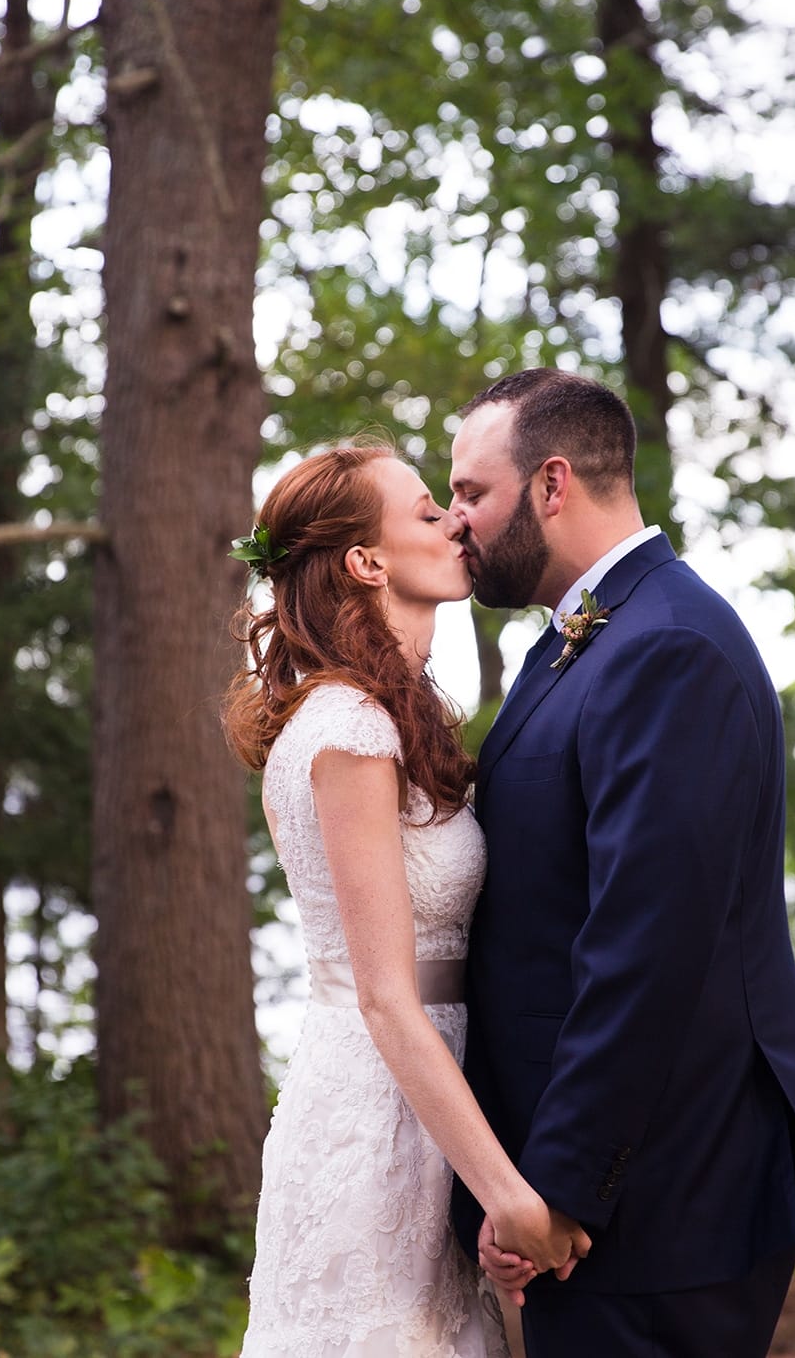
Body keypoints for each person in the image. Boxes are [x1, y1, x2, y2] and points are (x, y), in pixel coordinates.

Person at [447, 370, 795, 1358]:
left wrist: (554, 1186)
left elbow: (646, 949)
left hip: (661, 1202)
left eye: (472, 492)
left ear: (551, 485)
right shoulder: (577, 644)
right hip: (620, 1198)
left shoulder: (666, 646)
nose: (454, 518)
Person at [223, 441, 591, 1358]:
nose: (457, 521)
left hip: (438, 1101)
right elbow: (387, 994)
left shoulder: (397, 717)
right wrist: (511, 1196)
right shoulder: (346, 725)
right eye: (429, 511)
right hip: (378, 1113)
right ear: (366, 562)